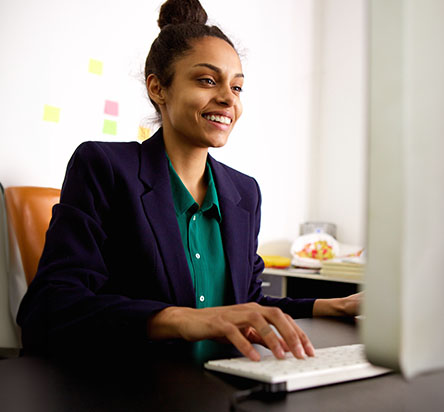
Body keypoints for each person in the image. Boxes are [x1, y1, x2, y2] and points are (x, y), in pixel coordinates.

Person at [17, 0, 360, 362]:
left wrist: (333, 304)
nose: (229, 98)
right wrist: (180, 319)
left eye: (238, 87)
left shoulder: (243, 193)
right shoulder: (104, 167)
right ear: (158, 88)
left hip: (226, 385)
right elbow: (51, 305)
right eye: (207, 80)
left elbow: (246, 303)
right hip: (136, 387)